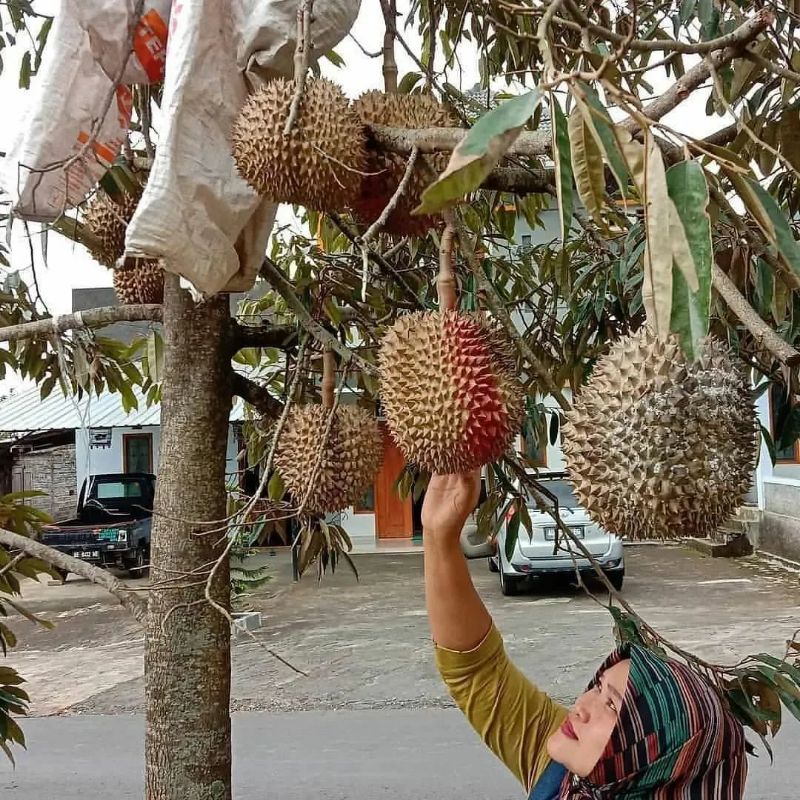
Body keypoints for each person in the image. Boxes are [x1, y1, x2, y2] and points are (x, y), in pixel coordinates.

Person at [422, 471, 749, 799]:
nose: (580, 706)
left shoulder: (578, 763)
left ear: (655, 756)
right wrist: (439, 535)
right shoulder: (563, 774)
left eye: (610, 704)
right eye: (597, 687)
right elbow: (477, 671)